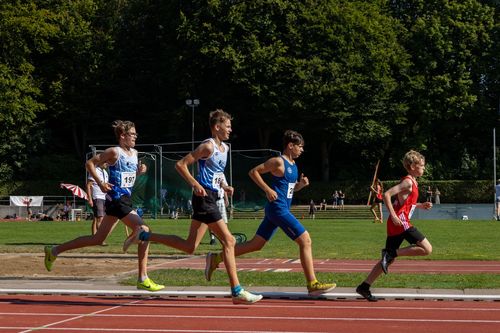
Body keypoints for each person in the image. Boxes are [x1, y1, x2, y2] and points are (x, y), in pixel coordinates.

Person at [125, 109, 262, 305]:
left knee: (190, 246)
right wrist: (195, 184)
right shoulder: (207, 146)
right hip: (204, 198)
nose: (231, 129)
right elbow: (181, 165)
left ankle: (144, 235)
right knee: (230, 241)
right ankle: (236, 290)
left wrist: (224, 186)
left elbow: (216, 172)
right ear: (217, 127)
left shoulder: (226, 148)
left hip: (213, 197)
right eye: (228, 126)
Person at [205, 130, 336, 296]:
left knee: (255, 244)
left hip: (280, 209)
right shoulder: (278, 162)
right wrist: (267, 189)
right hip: (277, 209)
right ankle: (312, 283)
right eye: (300, 147)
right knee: (305, 240)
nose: (302, 150)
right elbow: (254, 172)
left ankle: (216, 258)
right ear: (290, 146)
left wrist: (300, 186)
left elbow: (288, 190)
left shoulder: (293, 166)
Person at [44, 120, 164, 292]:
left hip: (125, 199)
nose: (136, 137)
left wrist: (138, 172)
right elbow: (90, 163)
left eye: (136, 134)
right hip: (116, 199)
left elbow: (127, 179)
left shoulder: (135, 153)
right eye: (133, 134)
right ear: (123, 136)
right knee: (144, 231)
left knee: (97, 239)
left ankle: (54, 250)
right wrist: (100, 183)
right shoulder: (114, 152)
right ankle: (142, 277)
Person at [356, 150, 433, 302]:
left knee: (388, 259)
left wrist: (420, 205)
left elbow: (405, 204)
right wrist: (393, 214)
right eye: (422, 166)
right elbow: (386, 195)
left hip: (398, 222)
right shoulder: (408, 182)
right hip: (401, 222)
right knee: (427, 249)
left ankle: (364, 287)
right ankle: (392, 253)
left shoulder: (413, 182)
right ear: (412, 166)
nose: (424, 168)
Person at [86, 163, 109, 237]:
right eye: (105, 162)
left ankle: (94, 237)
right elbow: (88, 185)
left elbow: (106, 185)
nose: (107, 163)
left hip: (104, 197)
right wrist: (90, 199)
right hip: (97, 197)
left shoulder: (105, 172)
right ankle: (101, 238)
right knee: (100, 218)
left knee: (97, 218)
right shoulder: (94, 171)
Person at [210, 174, 230, 245]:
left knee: (224, 221)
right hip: (212, 200)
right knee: (212, 221)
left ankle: (226, 238)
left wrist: (226, 199)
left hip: (220, 200)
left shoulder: (221, 174)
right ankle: (212, 239)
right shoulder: (209, 173)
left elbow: (224, 187)